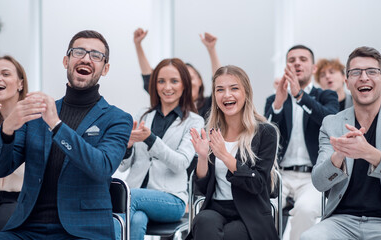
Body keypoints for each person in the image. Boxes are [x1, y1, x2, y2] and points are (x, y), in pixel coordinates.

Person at [0, 30, 133, 240]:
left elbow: (102, 168)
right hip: (27, 229)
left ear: (105, 68)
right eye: (79, 52)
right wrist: (7, 130)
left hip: (84, 233)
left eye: (96, 55)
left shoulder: (117, 119)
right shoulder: (35, 115)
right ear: (66, 61)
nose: (86, 59)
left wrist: (56, 125)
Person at [301, 46, 381, 239]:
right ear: (347, 82)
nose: (364, 77)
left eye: (372, 71)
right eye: (356, 72)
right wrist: (338, 156)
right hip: (341, 221)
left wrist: (368, 152)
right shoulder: (331, 123)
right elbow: (319, 182)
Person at [187, 65, 279, 240]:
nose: (227, 95)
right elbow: (201, 188)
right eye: (220, 90)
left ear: (246, 93)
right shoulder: (212, 132)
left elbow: (258, 184)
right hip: (215, 209)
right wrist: (203, 157)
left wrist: (225, 156)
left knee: (233, 233)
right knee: (203, 221)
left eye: (234, 88)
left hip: (251, 212)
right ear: (215, 96)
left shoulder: (265, 132)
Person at [117, 58, 204, 240]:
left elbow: (180, 164)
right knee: (137, 220)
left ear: (184, 86)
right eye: (161, 81)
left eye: (174, 81)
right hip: (138, 196)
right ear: (155, 85)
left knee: (126, 197)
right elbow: (123, 167)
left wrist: (150, 139)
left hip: (170, 199)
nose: (167, 87)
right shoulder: (142, 115)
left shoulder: (194, 121)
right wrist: (127, 147)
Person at [264, 45, 339, 239]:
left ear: (314, 68)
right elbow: (264, 136)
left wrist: (300, 96)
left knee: (305, 210)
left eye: (303, 59)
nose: (297, 63)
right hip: (280, 176)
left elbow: (330, 121)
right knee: (261, 208)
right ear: (286, 67)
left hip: (312, 177)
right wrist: (278, 105)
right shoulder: (274, 99)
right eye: (292, 60)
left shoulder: (326, 95)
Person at [0, 56, 27, 235]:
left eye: (5, 74)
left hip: (18, 197)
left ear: (20, 84)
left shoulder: (34, 121)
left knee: (2, 229)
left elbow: (23, 169)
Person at [133, 28, 221, 119]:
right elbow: (149, 78)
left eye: (190, 78)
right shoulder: (169, 101)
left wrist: (211, 49)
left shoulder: (209, 105)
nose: (187, 83)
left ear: (199, 81)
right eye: (179, 80)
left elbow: (220, 81)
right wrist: (138, 45)